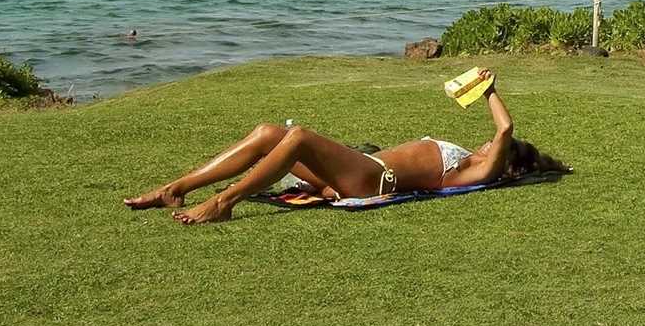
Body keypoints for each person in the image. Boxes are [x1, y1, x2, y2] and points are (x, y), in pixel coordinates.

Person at [123, 79, 551, 225]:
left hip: (370, 179)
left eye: (497, 146)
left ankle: (223, 202)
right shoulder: (473, 160)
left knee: (299, 138)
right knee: (270, 132)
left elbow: (506, 126)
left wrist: (490, 89)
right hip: (362, 170)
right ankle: (174, 188)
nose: (489, 141)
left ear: (507, 161)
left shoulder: (482, 171)